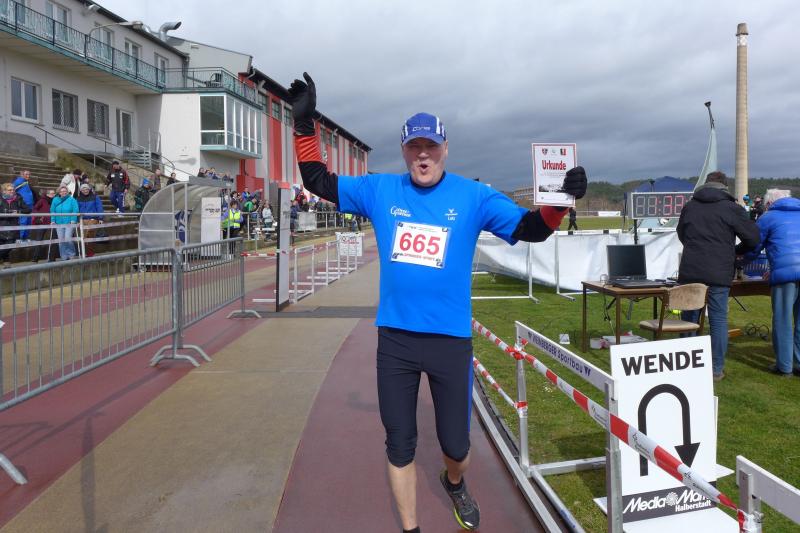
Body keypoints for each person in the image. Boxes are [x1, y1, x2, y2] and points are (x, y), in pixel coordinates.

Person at [288, 72, 587, 533]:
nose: (422, 155)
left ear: (445, 149)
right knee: (399, 445)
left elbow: (530, 229)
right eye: (414, 147)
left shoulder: (473, 196)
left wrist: (561, 201)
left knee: (457, 447)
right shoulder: (381, 190)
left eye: (430, 146)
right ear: (404, 150)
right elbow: (317, 180)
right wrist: (304, 126)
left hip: (449, 340)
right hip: (396, 341)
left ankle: (454, 481)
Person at [677, 171, 760, 381]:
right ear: (725, 187)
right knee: (718, 320)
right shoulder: (732, 208)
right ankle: (715, 369)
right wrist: (735, 252)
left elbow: (681, 234)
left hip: (691, 269)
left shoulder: (690, 207)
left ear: (705, 184)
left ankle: (687, 365)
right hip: (719, 270)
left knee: (689, 318)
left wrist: (696, 248)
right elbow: (753, 239)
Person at [742, 189, 800, 376]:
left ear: (768, 204)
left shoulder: (768, 217)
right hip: (787, 269)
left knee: (782, 319)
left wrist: (739, 262)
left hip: (785, 274)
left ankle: (784, 366)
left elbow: (754, 247)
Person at [0, 182, 32, 267]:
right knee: (3, 247)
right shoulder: (0, 199)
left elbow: (28, 210)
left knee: (9, 246)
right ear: (4, 191)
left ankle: (6, 263)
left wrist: (18, 211)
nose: (12, 191)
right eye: (9, 190)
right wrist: (7, 212)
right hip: (1, 227)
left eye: (13, 190)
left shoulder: (18, 199)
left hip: (13, 228)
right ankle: (7, 264)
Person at [50, 185, 79, 260]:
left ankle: (71, 254)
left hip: (69, 222)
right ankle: (64, 256)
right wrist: (53, 220)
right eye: (62, 191)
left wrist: (73, 219)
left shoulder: (72, 199)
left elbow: (75, 210)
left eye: (65, 191)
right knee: (61, 240)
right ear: (59, 192)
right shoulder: (55, 200)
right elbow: (52, 210)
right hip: (59, 222)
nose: (64, 193)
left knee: (68, 238)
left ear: (67, 192)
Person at [76, 183, 104, 257]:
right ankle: (85, 252)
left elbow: (99, 207)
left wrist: (101, 218)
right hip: (82, 219)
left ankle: (90, 253)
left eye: (86, 189)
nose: (85, 190)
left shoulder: (95, 197)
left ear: (89, 189)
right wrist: (77, 220)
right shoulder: (78, 198)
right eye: (83, 189)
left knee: (90, 233)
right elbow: (76, 209)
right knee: (84, 237)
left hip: (93, 218)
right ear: (81, 191)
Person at [31, 189, 57, 263]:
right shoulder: (42, 200)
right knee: (39, 240)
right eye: (51, 193)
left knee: (53, 240)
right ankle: (35, 257)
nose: (53, 195)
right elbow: (35, 209)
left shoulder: (56, 201)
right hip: (43, 223)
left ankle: (52, 258)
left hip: (53, 222)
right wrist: (40, 217)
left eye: (54, 193)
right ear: (47, 194)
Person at [12, 170, 36, 240]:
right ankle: (20, 238)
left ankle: (26, 237)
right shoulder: (19, 181)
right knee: (23, 222)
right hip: (23, 206)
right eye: (26, 174)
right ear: (22, 174)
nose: (28, 176)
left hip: (30, 205)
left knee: (29, 221)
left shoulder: (26, 182)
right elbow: (12, 189)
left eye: (29, 174)